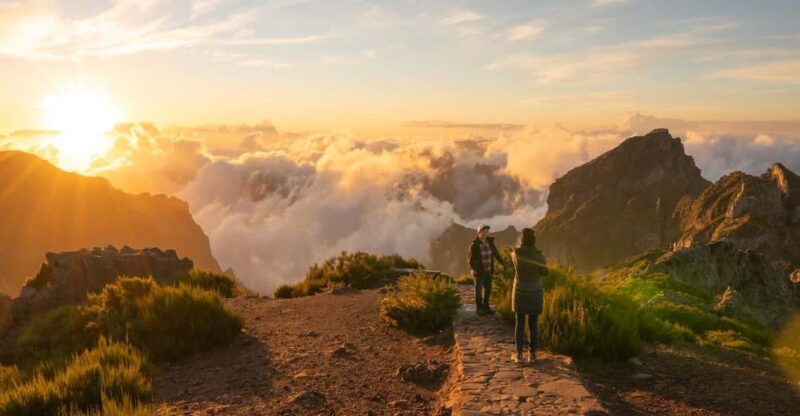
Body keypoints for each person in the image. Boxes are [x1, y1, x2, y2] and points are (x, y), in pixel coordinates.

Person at [511, 227, 548, 364]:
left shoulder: (515, 254)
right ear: (534, 240)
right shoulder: (539, 255)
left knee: (519, 324)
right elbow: (545, 272)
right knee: (533, 325)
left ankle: (519, 355)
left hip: (520, 292)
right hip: (534, 293)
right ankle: (532, 355)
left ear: (522, 240)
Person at [467, 224, 504, 315]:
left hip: (488, 270)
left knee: (488, 289)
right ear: (479, 233)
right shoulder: (474, 245)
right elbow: (470, 260)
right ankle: (479, 308)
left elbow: (496, 254)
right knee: (478, 290)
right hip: (479, 272)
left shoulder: (490, 243)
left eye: (486, 231)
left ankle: (486, 307)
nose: (485, 233)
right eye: (483, 232)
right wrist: (476, 269)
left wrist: (502, 263)